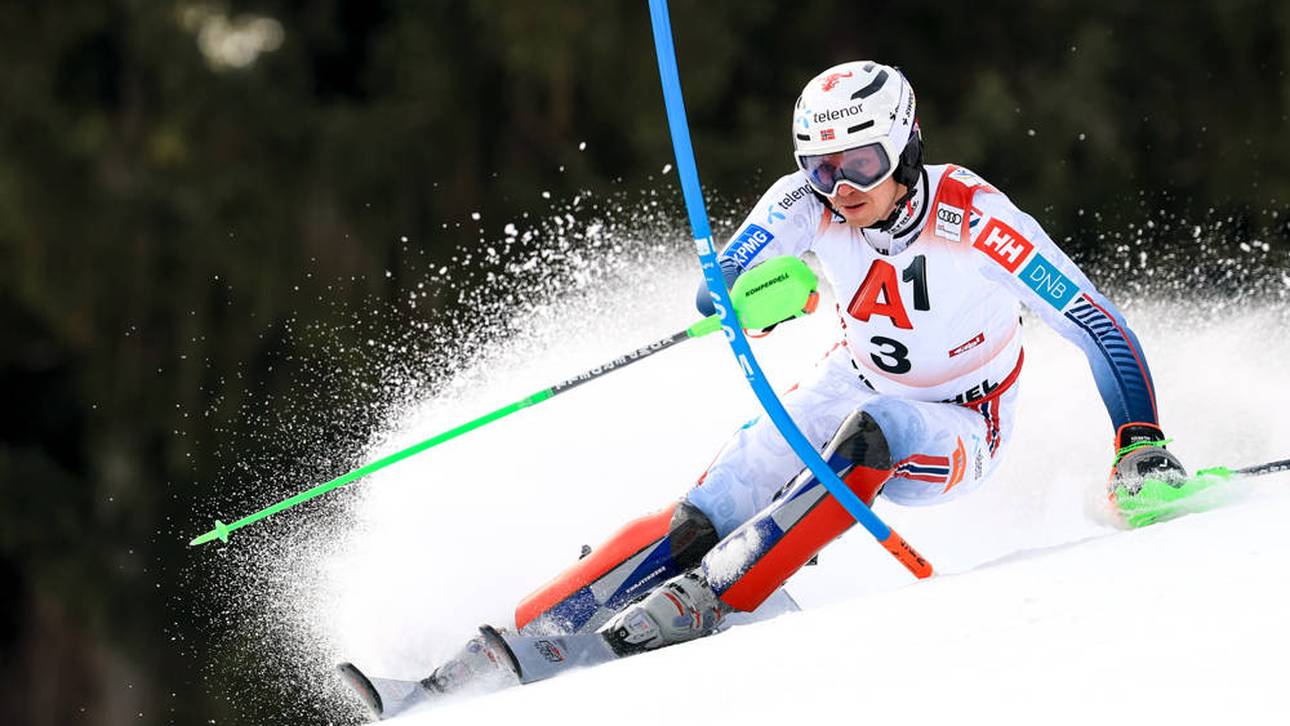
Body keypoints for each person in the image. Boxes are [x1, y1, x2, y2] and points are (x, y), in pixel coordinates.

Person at [349, 60, 1192, 711]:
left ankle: (719, 597)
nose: (844, 190)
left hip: (961, 423)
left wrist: (1139, 441)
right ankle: (502, 646)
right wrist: (736, 292)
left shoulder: (977, 219)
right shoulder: (808, 200)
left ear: (905, 143)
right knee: (703, 511)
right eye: (823, 167)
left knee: (874, 432)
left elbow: (1097, 325)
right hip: (847, 375)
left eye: (862, 163)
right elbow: (724, 275)